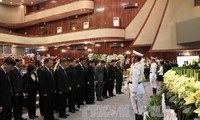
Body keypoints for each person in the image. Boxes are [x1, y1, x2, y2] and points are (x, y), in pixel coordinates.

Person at [129, 50, 145, 120]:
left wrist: (133, 92)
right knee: (139, 106)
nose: (131, 59)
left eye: (132, 58)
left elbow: (135, 81)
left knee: (137, 107)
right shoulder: (140, 65)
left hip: (136, 89)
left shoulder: (136, 67)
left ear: (135, 59)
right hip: (139, 87)